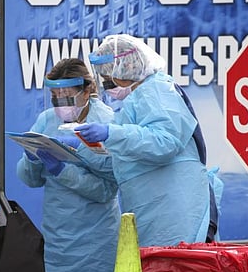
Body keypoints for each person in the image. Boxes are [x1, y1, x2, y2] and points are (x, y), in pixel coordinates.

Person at [77, 33, 214, 247]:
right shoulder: (135, 99)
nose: (106, 83)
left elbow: (165, 142)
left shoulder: (157, 90)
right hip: (153, 209)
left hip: (174, 210)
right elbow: (122, 162)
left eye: (108, 76)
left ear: (126, 67)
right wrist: (79, 149)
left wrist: (110, 133)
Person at [16, 58, 120, 272]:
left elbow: (108, 188)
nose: (60, 101)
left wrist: (63, 171)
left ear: (86, 91)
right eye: (55, 95)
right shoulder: (46, 120)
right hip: (59, 235)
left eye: (67, 94)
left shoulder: (107, 122)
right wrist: (32, 158)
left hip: (97, 237)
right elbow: (30, 180)